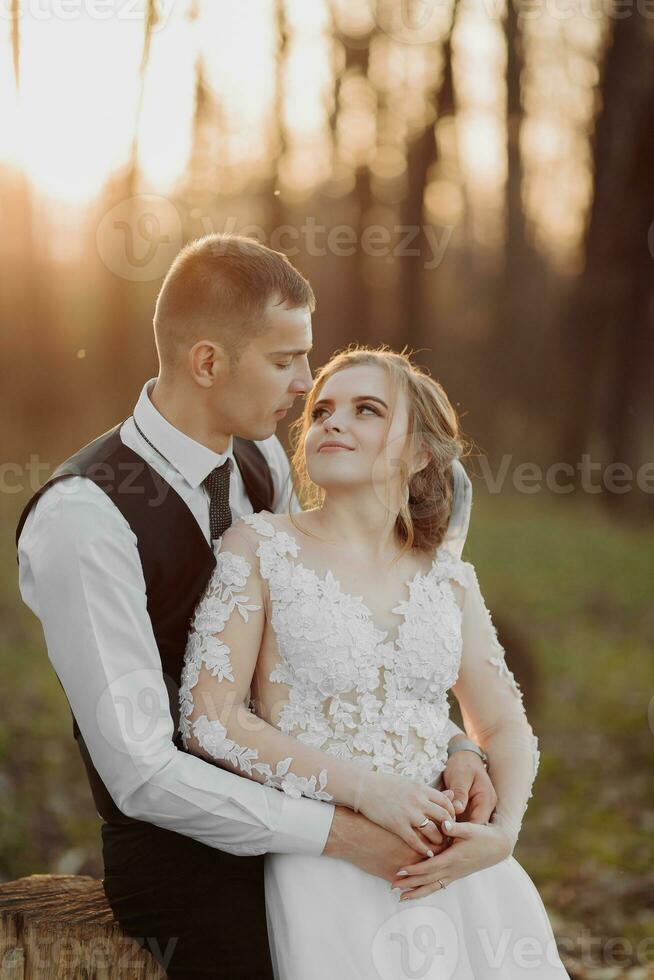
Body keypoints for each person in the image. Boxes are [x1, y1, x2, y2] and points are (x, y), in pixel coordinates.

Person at [15, 235, 495, 979]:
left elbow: (329, 620)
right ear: (208, 362)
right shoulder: (85, 520)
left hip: (317, 788)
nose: (307, 384)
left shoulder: (259, 457)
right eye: (285, 360)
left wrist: (453, 744)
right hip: (188, 857)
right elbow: (141, 773)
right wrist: (339, 834)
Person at [180, 345, 571, 978]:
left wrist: (501, 836)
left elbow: (502, 726)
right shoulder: (260, 548)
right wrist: (367, 791)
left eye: (366, 410)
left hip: (457, 869)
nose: (333, 421)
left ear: (419, 453)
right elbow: (212, 719)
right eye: (323, 410)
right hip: (331, 863)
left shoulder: (447, 577)